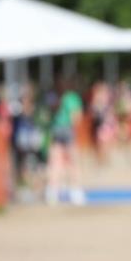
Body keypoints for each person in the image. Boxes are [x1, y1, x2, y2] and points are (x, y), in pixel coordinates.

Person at [45, 76, 84, 205]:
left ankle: (53, 192)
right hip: (67, 130)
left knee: (55, 162)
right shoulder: (72, 98)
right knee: (73, 161)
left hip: (56, 129)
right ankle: (75, 191)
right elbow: (76, 117)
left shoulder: (54, 96)